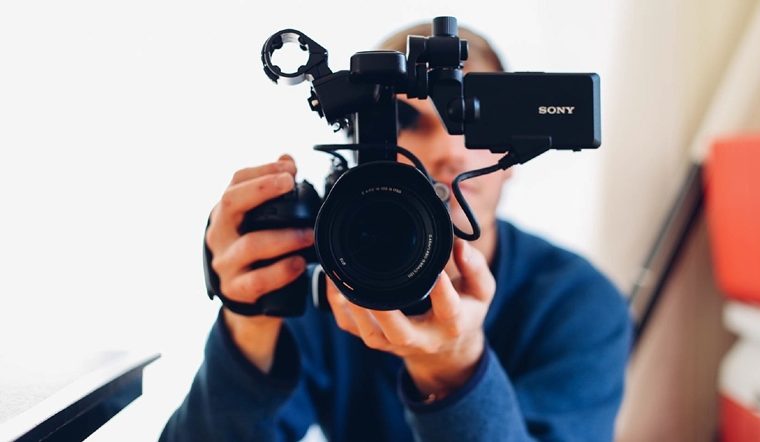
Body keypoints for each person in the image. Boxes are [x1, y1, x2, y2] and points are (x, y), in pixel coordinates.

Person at [160, 23, 631, 442]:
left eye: (473, 122)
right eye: (412, 122)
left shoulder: (578, 303)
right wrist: (249, 322)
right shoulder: (316, 276)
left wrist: (455, 369)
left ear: (514, 160)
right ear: (368, 145)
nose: (450, 151)